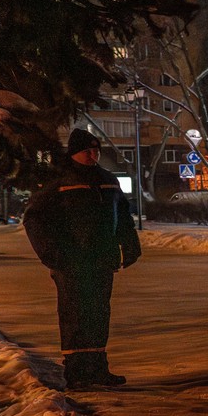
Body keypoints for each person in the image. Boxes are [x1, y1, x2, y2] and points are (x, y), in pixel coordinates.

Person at [23, 129, 141, 389]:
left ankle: (98, 368)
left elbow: (122, 215)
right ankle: (76, 371)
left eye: (96, 150)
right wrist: (52, 254)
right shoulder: (60, 181)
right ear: (74, 152)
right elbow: (34, 218)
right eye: (87, 151)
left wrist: (130, 245)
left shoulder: (107, 179)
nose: (93, 155)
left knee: (99, 313)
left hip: (101, 258)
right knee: (75, 313)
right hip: (70, 261)